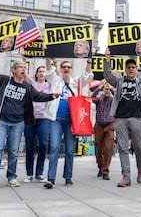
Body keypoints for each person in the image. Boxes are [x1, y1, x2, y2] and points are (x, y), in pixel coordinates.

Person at [0, 51, 59, 190]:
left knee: (13, 151)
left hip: (18, 123)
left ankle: (11, 177)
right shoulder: (5, 81)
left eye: (25, 68)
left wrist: (52, 96)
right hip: (2, 121)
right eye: (20, 67)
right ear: (13, 70)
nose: (23, 69)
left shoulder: (27, 87)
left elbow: (39, 96)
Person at [103, 47, 141, 187]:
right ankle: (126, 176)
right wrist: (107, 60)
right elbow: (108, 76)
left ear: (137, 69)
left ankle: (140, 170)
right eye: (129, 67)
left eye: (133, 67)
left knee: (139, 146)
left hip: (137, 118)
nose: (131, 69)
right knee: (122, 148)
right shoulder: (120, 81)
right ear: (125, 69)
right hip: (120, 118)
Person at [43, 57, 93, 188]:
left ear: (71, 70)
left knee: (70, 150)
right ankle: (51, 178)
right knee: (54, 147)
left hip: (71, 120)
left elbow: (87, 76)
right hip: (57, 119)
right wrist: (47, 55)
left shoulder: (76, 82)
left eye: (68, 67)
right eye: (63, 67)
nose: (66, 69)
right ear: (60, 69)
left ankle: (68, 176)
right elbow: (48, 71)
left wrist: (88, 61)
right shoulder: (55, 80)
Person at [22, 65, 51, 183]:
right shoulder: (32, 83)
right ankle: (29, 173)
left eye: (44, 71)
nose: (42, 73)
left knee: (43, 144)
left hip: (44, 118)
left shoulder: (49, 85)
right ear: (36, 74)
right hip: (30, 118)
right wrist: (24, 60)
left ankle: (39, 173)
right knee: (29, 146)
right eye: (40, 71)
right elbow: (24, 75)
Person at [91, 80, 115, 181]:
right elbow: (92, 96)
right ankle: (101, 167)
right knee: (98, 148)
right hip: (99, 126)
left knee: (108, 148)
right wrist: (100, 87)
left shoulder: (113, 100)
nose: (107, 91)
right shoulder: (99, 99)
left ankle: (106, 170)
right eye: (106, 89)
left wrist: (112, 87)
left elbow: (118, 96)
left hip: (109, 126)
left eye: (109, 89)